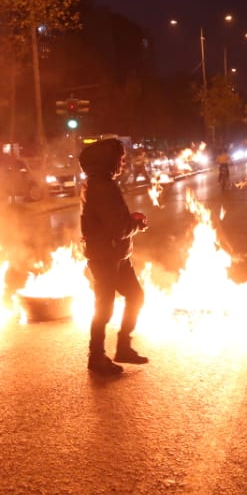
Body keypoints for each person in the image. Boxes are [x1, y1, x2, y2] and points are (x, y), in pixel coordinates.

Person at [79, 138, 149, 375]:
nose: (123, 163)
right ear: (108, 161)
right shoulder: (102, 187)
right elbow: (118, 228)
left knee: (135, 296)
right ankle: (96, 356)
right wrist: (137, 224)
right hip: (105, 257)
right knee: (104, 307)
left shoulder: (101, 183)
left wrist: (131, 221)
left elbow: (115, 221)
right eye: (120, 159)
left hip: (116, 255)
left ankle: (123, 347)